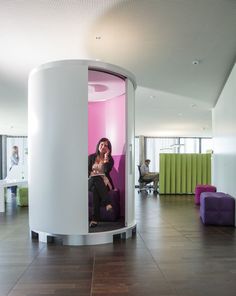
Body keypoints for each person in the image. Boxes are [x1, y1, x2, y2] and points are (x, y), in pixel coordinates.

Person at [88, 138, 114, 227]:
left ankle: (94, 219)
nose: (103, 146)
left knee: (96, 188)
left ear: (108, 148)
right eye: (101, 144)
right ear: (98, 145)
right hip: (90, 182)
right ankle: (107, 203)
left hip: (104, 183)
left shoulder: (110, 159)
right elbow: (87, 172)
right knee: (95, 178)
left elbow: (106, 170)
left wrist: (106, 157)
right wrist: (94, 174)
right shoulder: (91, 157)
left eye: (106, 145)